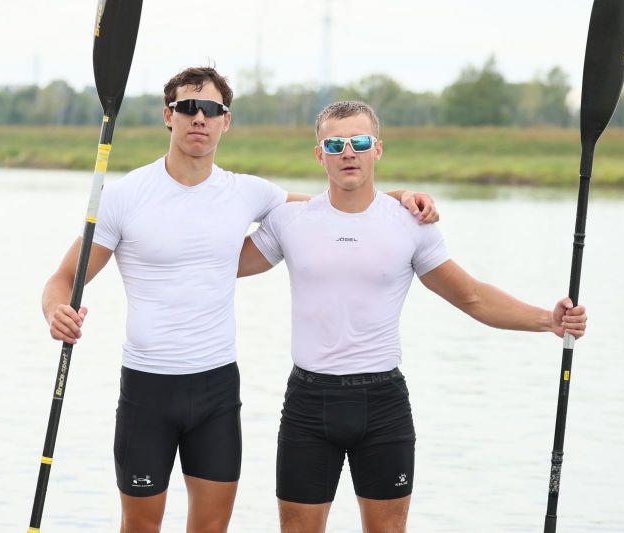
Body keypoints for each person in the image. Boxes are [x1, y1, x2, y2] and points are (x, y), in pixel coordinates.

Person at [42, 68, 438, 533]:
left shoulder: (248, 192)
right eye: (188, 107)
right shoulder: (124, 196)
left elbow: (334, 207)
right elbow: (64, 278)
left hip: (216, 389)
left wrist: (400, 198)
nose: (199, 118)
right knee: (140, 526)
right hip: (147, 389)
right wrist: (56, 311)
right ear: (168, 115)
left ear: (225, 121)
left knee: (212, 528)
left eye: (212, 109)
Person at [236, 100, 588, 533]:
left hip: (382, 405)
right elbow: (218, 263)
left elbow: (473, 297)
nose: (348, 152)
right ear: (319, 154)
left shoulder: (410, 223)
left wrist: (548, 320)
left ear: (378, 149)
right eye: (335, 144)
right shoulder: (291, 221)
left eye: (359, 142)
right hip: (309, 403)